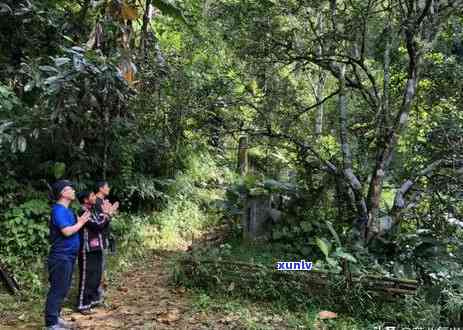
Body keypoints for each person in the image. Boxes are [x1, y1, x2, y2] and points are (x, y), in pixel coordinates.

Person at [45, 180, 90, 330]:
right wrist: (81, 222)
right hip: (60, 256)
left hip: (69, 256)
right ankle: (51, 323)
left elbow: (74, 228)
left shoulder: (69, 211)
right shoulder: (58, 210)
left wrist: (79, 222)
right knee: (57, 289)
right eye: (70, 189)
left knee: (63, 289)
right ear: (63, 193)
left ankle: (56, 318)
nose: (74, 191)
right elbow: (67, 231)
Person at [76, 191, 117, 314]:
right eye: (92, 196)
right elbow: (98, 225)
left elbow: (102, 223)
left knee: (96, 275)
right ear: (85, 199)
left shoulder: (93, 210)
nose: (95, 198)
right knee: (86, 277)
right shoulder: (82, 212)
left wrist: (107, 215)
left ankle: (93, 301)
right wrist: (107, 214)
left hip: (97, 247)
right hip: (86, 249)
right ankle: (83, 304)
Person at [93, 181, 119, 302]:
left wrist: (110, 212)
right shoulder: (96, 202)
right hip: (98, 239)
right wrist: (110, 212)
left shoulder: (102, 202)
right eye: (107, 186)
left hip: (104, 237)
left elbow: (106, 219)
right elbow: (100, 221)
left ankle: (100, 292)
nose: (109, 188)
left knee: (102, 267)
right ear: (100, 188)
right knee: (99, 266)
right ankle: (97, 295)